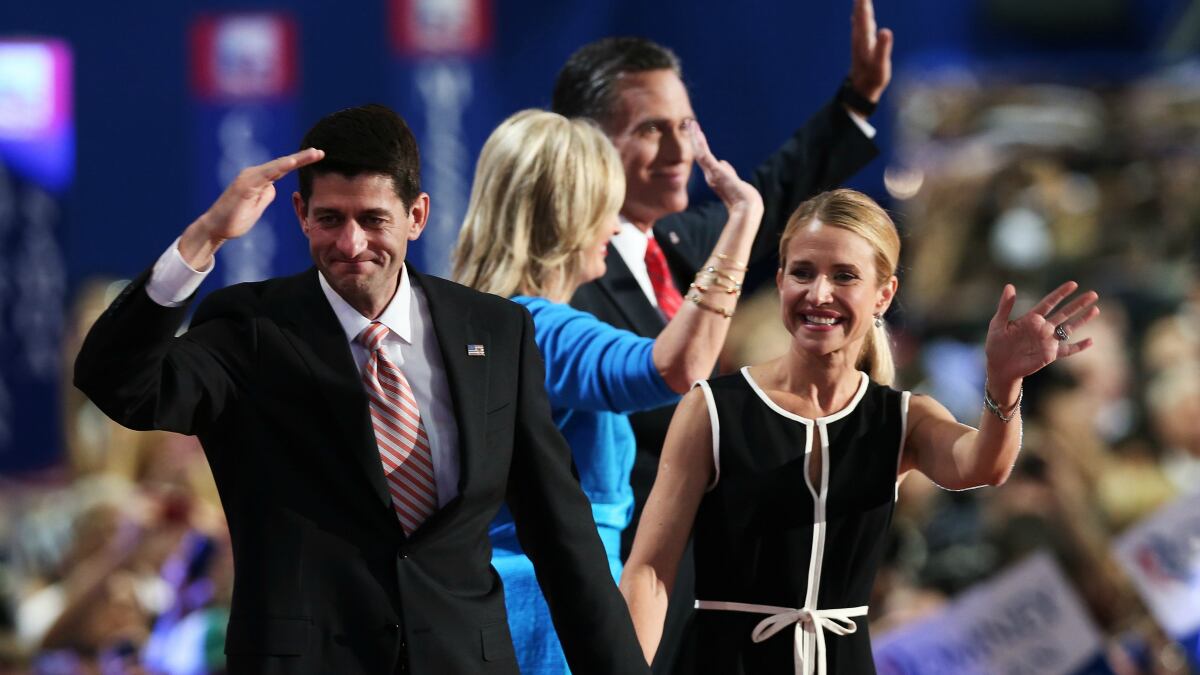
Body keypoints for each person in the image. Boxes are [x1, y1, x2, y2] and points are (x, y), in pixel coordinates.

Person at [73, 104, 648, 674]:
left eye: (373, 219)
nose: (350, 244)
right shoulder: (250, 331)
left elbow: (563, 538)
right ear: (300, 213)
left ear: (417, 216)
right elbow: (119, 383)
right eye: (329, 219)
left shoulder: (496, 332)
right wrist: (202, 240)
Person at [620, 189, 1101, 674]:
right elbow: (650, 573)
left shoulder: (901, 417)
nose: (819, 293)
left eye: (844, 276)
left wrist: (1004, 380)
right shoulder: (714, 408)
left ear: (883, 294)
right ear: (781, 278)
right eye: (802, 272)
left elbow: (983, 466)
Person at [555, 4, 893, 668]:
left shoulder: (677, 244)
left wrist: (855, 100)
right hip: (628, 594)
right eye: (653, 129)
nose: (683, 150)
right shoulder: (562, 288)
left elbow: (772, 190)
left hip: (712, 605)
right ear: (585, 143)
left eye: (686, 123)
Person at [452, 109, 762, 674]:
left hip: (502, 606)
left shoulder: (473, 318)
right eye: (606, 209)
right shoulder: (537, 329)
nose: (616, 228)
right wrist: (743, 219)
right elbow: (677, 366)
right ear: (569, 216)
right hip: (554, 617)